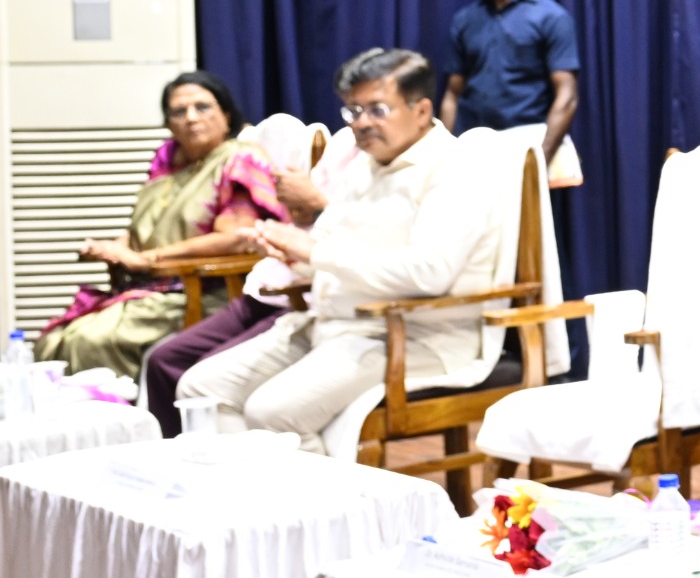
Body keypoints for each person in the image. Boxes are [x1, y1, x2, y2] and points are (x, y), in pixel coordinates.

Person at [176, 48, 505, 449]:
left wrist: (314, 254)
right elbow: (330, 246)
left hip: (413, 337)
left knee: (273, 412)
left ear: (421, 111)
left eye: (377, 110)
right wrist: (291, 253)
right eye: (353, 110)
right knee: (200, 387)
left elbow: (429, 273)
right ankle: (253, 486)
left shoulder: (455, 169)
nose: (361, 123)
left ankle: (312, 491)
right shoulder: (364, 165)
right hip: (334, 324)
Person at [35, 72, 287, 380]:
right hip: (148, 288)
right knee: (55, 340)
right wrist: (115, 247)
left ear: (226, 115)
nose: (191, 118)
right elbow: (148, 228)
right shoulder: (168, 159)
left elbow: (236, 238)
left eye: (202, 107)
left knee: (91, 341)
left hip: (202, 289)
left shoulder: (239, 158)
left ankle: (123, 411)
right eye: (179, 111)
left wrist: (149, 259)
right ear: (168, 123)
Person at [140, 126, 357, 435]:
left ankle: (217, 459)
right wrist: (293, 219)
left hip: (301, 297)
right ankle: (180, 456)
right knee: (163, 361)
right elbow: (306, 219)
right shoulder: (344, 145)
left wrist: (315, 208)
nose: (192, 120)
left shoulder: (241, 159)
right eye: (355, 109)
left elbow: (357, 244)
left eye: (373, 109)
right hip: (264, 285)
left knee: (205, 378)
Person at [441, 0, 580, 170]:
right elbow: (452, 94)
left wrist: (539, 161)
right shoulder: (465, 19)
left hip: (526, 142)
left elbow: (567, 96)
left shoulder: (550, 16)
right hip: (472, 146)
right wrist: (447, 155)